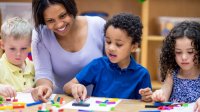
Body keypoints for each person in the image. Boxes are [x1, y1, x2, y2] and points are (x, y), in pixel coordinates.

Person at [63, 13, 152, 102]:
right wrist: (74, 87)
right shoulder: (98, 65)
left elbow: (144, 102)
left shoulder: (142, 74)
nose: (111, 48)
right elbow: (67, 86)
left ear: (134, 47)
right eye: (108, 41)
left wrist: (146, 98)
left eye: (119, 44)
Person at [31, 0, 106, 102]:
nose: (59, 25)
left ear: (71, 8)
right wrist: (44, 88)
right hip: (61, 101)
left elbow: (114, 65)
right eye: (50, 20)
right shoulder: (41, 34)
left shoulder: (99, 25)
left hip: (100, 100)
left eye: (62, 16)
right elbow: (43, 73)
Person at [150, 21, 200, 111]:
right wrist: (160, 95)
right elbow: (165, 92)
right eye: (178, 52)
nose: (184, 57)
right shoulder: (172, 72)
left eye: (190, 52)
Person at [0, 17, 34, 97]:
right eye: (12, 49)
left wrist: (37, 90)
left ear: (30, 45)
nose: (18, 54)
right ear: (2, 45)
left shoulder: (34, 67)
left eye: (23, 48)